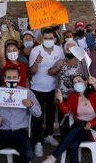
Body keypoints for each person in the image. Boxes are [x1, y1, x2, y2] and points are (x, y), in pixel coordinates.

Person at [0, 67, 41, 163]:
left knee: (29, 154)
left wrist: (31, 104)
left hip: (20, 132)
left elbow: (38, 113)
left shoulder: (27, 93)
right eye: (9, 77)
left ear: (19, 79)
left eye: (14, 77)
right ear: (4, 79)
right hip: (0, 131)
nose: (11, 80)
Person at [42, 74, 96, 163]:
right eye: (75, 83)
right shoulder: (73, 96)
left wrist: (91, 123)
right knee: (73, 143)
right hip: (79, 126)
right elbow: (66, 111)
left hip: (94, 127)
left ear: (86, 82)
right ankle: (53, 158)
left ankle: (53, 157)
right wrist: (61, 100)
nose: (77, 84)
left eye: (79, 81)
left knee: (74, 130)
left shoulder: (94, 94)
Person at [29, 28, 65, 156]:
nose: (49, 40)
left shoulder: (59, 50)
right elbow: (32, 72)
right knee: (38, 115)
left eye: (51, 38)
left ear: (55, 39)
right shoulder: (35, 50)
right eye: (46, 38)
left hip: (52, 88)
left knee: (50, 113)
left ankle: (48, 135)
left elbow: (61, 70)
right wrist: (37, 62)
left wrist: (59, 65)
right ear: (41, 39)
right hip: (36, 87)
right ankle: (37, 141)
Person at [48, 40, 88, 137]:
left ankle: (76, 141)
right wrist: (58, 67)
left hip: (78, 97)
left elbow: (87, 77)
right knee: (64, 122)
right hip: (63, 97)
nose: (69, 51)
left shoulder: (82, 62)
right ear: (64, 50)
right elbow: (50, 72)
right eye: (67, 49)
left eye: (72, 49)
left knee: (78, 121)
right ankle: (65, 141)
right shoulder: (61, 61)